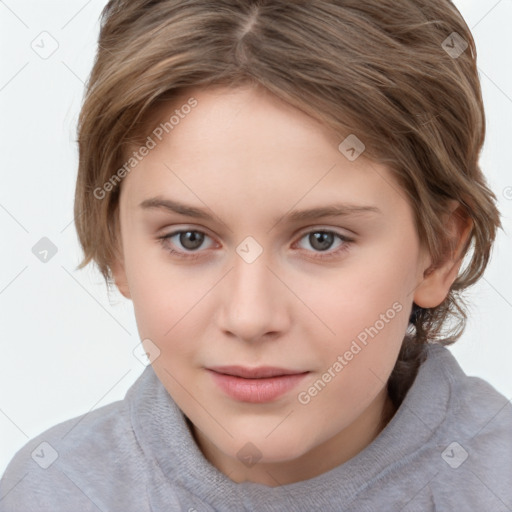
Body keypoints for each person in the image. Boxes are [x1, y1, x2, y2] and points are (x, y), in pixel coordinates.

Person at [1, 0, 511, 510]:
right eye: (190, 239)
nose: (249, 318)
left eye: (321, 240)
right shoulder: (54, 491)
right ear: (117, 247)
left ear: (440, 253)